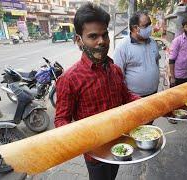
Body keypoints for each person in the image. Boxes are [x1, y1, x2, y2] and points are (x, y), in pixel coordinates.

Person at [54, 3, 139, 180]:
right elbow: (61, 120)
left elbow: (126, 97)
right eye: (93, 36)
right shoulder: (69, 79)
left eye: (104, 34)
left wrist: (151, 103)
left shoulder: (115, 70)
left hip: (119, 143)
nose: (102, 41)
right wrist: (82, 139)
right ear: (79, 40)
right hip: (95, 154)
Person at [113, 11, 160, 98]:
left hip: (154, 94)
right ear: (135, 28)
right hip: (133, 98)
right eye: (146, 25)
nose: (150, 28)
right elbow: (117, 76)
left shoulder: (153, 43)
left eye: (150, 24)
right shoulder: (122, 46)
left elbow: (156, 63)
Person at [168, 16, 187, 124]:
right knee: (174, 97)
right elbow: (171, 60)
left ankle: (181, 114)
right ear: (183, 28)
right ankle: (172, 117)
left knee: (185, 96)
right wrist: (172, 76)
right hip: (178, 74)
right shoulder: (177, 41)